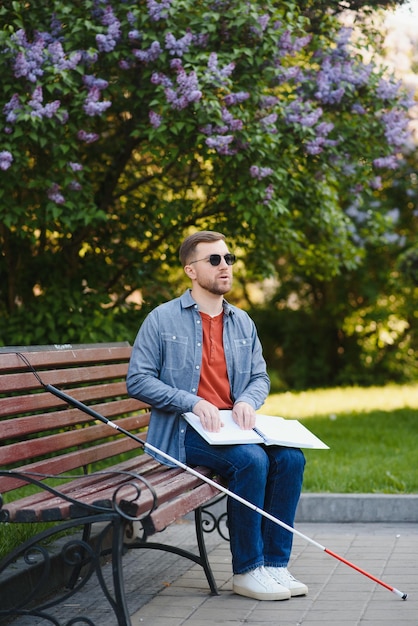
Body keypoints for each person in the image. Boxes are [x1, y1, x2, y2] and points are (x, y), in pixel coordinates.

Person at [126, 230, 307, 601]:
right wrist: (190, 401)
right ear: (191, 270)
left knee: (290, 458)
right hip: (184, 430)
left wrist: (246, 401)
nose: (225, 266)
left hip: (233, 426)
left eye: (228, 258)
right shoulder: (161, 319)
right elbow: (138, 380)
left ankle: (274, 565)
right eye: (214, 260)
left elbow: (260, 377)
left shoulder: (242, 321)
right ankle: (247, 570)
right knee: (252, 462)